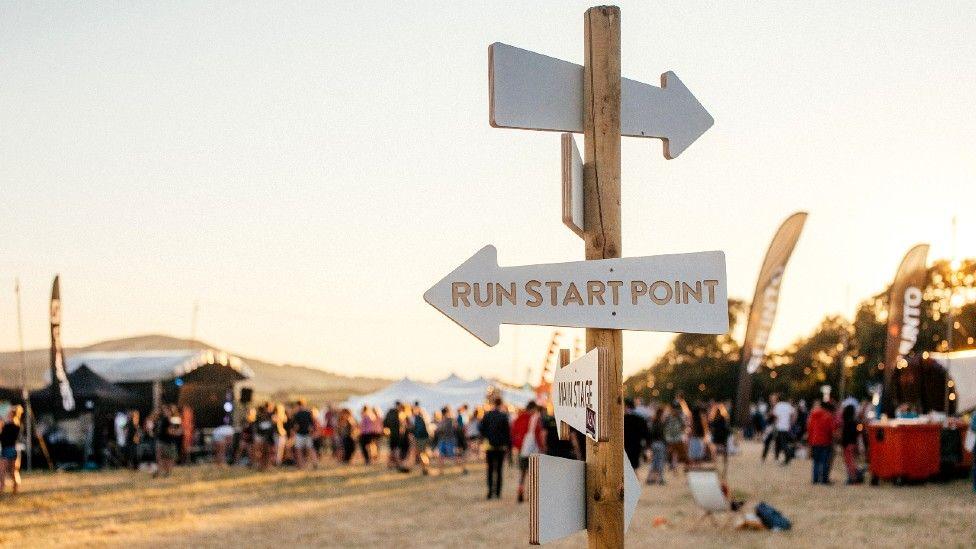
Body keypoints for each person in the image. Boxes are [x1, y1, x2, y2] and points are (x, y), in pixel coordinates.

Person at [511, 401, 545, 503]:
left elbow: (513, 433)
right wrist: (541, 447)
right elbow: (537, 434)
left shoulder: (518, 418)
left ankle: (520, 492)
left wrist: (518, 446)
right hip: (533, 450)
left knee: (522, 473)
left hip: (522, 450)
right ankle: (532, 495)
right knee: (533, 473)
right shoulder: (535, 418)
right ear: (533, 408)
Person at [480, 397, 511, 500]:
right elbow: (507, 433)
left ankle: (490, 491)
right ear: (501, 404)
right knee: (499, 470)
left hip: (489, 446)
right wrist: (508, 446)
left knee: (490, 469)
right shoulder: (504, 416)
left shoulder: (487, 415)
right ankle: (497, 492)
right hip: (501, 447)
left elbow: (481, 429)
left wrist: (488, 437)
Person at [807, 400, 836, 484]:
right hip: (825, 441)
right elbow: (831, 430)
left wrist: (810, 440)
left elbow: (810, 428)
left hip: (814, 440)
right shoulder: (828, 416)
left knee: (816, 461)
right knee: (824, 461)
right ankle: (824, 479)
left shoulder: (813, 414)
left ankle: (815, 479)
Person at [435, 406, 466, 473]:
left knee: (452, 456)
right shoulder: (449, 420)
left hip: (448, 440)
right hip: (446, 440)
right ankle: (441, 471)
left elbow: (438, 430)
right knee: (442, 456)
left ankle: (463, 469)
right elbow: (457, 428)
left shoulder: (446, 421)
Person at [0, 405, 23, 494]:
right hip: (7, 449)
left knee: (8, 471)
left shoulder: (14, 426)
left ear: (12, 414)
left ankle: (11, 487)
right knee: (8, 471)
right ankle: (12, 487)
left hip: (10, 450)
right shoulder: (9, 425)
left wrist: (2, 426)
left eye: (9, 413)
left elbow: (6, 438)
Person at [155, 404, 182, 477]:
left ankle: (165, 472)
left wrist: (176, 431)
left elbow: (177, 429)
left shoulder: (172, 419)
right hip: (165, 441)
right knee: (165, 458)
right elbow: (171, 431)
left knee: (167, 458)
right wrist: (177, 432)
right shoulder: (165, 419)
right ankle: (163, 472)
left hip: (167, 441)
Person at [623, 398, 649, 470]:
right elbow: (646, 433)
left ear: (626, 406)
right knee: (634, 467)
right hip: (637, 446)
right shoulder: (640, 419)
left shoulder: (622, 420)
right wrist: (647, 445)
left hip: (625, 446)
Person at [292, 399, 318, 469]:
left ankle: (301, 465)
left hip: (299, 434)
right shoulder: (309, 413)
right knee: (310, 449)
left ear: (298, 405)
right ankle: (315, 462)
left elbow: (296, 426)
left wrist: (293, 433)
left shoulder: (296, 414)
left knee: (298, 450)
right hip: (308, 434)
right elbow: (312, 425)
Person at [771, 394, 796, 464]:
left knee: (782, 443)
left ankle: (788, 455)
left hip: (780, 427)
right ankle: (782, 458)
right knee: (781, 442)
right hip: (786, 427)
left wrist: (776, 423)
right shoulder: (788, 405)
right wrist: (791, 423)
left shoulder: (777, 405)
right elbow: (793, 414)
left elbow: (775, 416)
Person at [840, 403, 861, 484]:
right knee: (852, 461)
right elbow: (859, 430)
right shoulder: (855, 422)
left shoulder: (845, 422)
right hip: (853, 443)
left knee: (849, 461)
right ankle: (854, 476)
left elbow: (844, 434)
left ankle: (852, 478)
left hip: (847, 444)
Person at [663, 404, 687, 472]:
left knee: (676, 452)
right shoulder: (668, 417)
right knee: (670, 452)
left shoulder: (679, 418)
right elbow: (665, 426)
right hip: (670, 438)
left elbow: (683, 426)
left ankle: (674, 466)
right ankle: (672, 465)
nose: (675, 411)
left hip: (677, 438)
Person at [708, 402, 731, 474]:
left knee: (714, 451)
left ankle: (715, 464)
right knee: (724, 451)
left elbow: (710, 424)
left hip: (716, 437)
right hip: (723, 437)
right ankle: (725, 465)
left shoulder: (714, 419)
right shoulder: (723, 418)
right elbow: (727, 420)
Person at [646, 406, 667, 485]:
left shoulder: (653, 422)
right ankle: (660, 479)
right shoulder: (661, 424)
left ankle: (650, 478)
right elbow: (663, 435)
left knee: (654, 462)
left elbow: (650, 434)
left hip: (654, 444)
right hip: (660, 443)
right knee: (660, 462)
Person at [410, 405, 432, 474]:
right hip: (425, 437)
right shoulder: (424, 417)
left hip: (420, 438)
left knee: (422, 454)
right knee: (424, 453)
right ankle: (425, 468)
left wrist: (414, 434)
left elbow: (418, 430)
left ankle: (425, 468)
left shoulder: (417, 418)